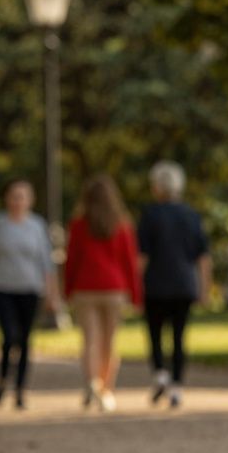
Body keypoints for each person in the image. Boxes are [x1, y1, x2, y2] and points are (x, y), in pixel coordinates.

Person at [0, 179, 59, 410]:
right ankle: (2, 379)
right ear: (7, 198)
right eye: (14, 196)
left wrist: (52, 295)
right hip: (2, 289)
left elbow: (47, 264)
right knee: (10, 337)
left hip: (30, 289)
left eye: (22, 196)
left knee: (26, 340)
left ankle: (20, 389)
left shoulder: (37, 226)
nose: (18, 201)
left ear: (30, 200)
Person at [64, 174, 143, 412]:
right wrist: (136, 295)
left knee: (90, 340)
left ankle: (92, 383)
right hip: (114, 289)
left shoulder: (79, 225)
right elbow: (130, 263)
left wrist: (67, 290)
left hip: (85, 288)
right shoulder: (122, 225)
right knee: (109, 342)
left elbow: (72, 261)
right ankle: (107, 391)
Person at [138, 160, 210, 409]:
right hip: (184, 284)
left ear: (156, 187)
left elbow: (142, 256)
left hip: (155, 284)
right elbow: (202, 256)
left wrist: (136, 285)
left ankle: (160, 373)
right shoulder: (191, 215)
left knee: (155, 334)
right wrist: (204, 288)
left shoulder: (149, 215)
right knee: (179, 337)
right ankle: (177, 387)